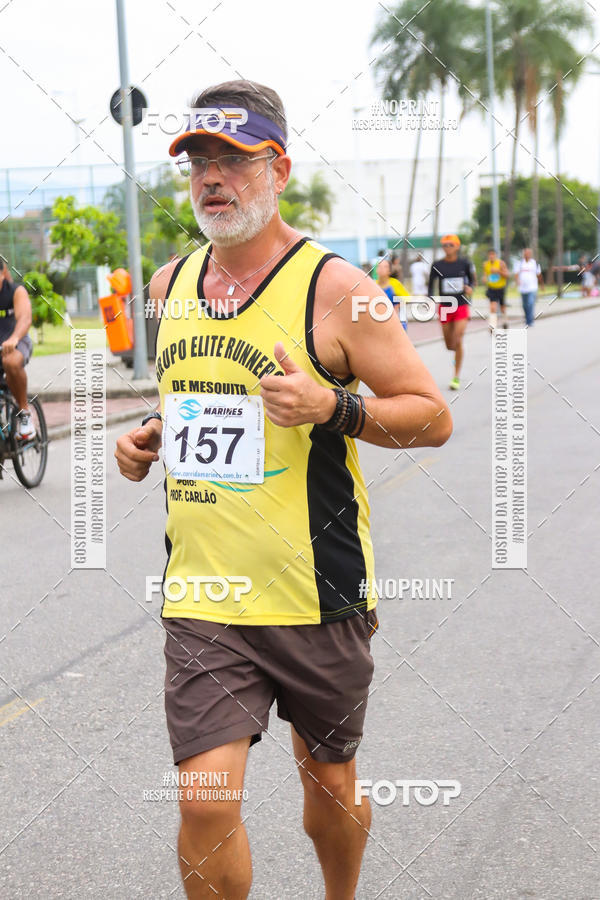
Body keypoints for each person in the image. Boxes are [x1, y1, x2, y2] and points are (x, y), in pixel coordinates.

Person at [115, 79, 452, 900]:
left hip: (315, 589)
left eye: (234, 158)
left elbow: (431, 417)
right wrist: (147, 442)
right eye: (198, 160)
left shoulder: (337, 289)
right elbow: (195, 407)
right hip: (205, 595)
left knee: (329, 786)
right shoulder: (167, 287)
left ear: (281, 168)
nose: (211, 178)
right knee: (204, 797)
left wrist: (331, 406)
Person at [427, 234, 475, 390]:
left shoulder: (464, 263)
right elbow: (430, 285)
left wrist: (470, 288)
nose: (448, 247)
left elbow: (472, 280)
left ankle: (456, 377)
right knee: (450, 345)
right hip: (445, 306)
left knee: (458, 338)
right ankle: (456, 353)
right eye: (445, 245)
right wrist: (429, 299)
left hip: (461, 305)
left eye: (451, 245)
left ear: (457, 246)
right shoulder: (437, 265)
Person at [0, 258, 35, 439]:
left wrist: (13, 338)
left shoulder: (15, 291)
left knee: (10, 360)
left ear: (2, 273)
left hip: (17, 342)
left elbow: (25, 319)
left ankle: (24, 413)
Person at [376, 257, 409, 330]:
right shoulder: (373, 284)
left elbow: (407, 298)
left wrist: (397, 306)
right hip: (378, 319)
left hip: (395, 319)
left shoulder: (394, 283)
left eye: (385, 267)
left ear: (389, 271)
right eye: (379, 266)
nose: (381, 269)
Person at [514, 248, 542, 327]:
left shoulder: (534, 263)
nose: (527, 254)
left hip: (532, 287)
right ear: (523, 254)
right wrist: (517, 281)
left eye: (529, 253)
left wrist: (541, 285)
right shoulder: (519, 263)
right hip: (522, 288)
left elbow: (539, 275)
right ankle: (527, 318)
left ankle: (530, 321)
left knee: (530, 303)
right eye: (526, 253)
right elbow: (516, 274)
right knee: (524, 305)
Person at [482, 248, 509, 329]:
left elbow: (507, 275)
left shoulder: (501, 263)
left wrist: (498, 271)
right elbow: (485, 275)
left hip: (500, 288)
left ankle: (505, 322)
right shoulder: (486, 264)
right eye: (490, 255)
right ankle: (493, 325)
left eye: (493, 254)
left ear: (496, 255)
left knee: (502, 308)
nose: (491, 256)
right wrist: (484, 278)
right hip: (491, 288)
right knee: (492, 307)